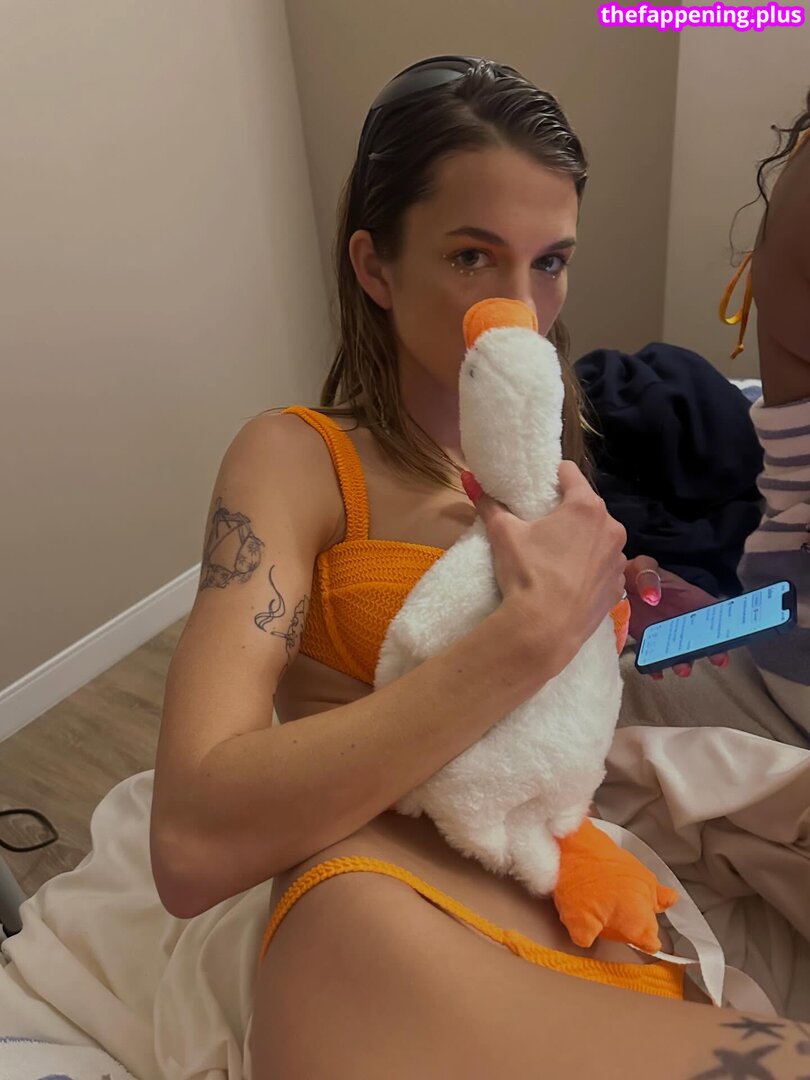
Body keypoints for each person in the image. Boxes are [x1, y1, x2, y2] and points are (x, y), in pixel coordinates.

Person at [149, 59, 810, 1077]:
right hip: (387, 929)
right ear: (375, 267)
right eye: (472, 255)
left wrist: (629, 616)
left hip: (594, 910)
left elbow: (566, 712)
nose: (519, 305)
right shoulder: (297, 459)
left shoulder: (552, 471)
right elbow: (191, 839)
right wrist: (532, 634)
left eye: (550, 262)